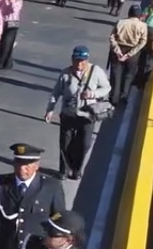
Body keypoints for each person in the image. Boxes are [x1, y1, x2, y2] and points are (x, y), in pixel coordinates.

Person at [45, 46, 111, 180]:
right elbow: (56, 92)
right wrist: (50, 109)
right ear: (72, 59)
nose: (79, 64)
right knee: (65, 144)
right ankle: (63, 170)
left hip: (87, 115)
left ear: (87, 60)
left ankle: (77, 169)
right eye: (76, 61)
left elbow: (107, 87)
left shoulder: (96, 71)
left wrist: (93, 94)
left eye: (82, 61)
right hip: (68, 114)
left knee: (84, 144)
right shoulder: (65, 73)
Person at [108, 5, 148, 106]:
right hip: (133, 53)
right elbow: (142, 42)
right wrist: (130, 54)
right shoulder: (142, 26)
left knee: (116, 75)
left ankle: (114, 98)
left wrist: (117, 51)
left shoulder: (120, 22)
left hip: (118, 49)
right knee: (129, 75)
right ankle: (124, 96)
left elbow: (112, 37)